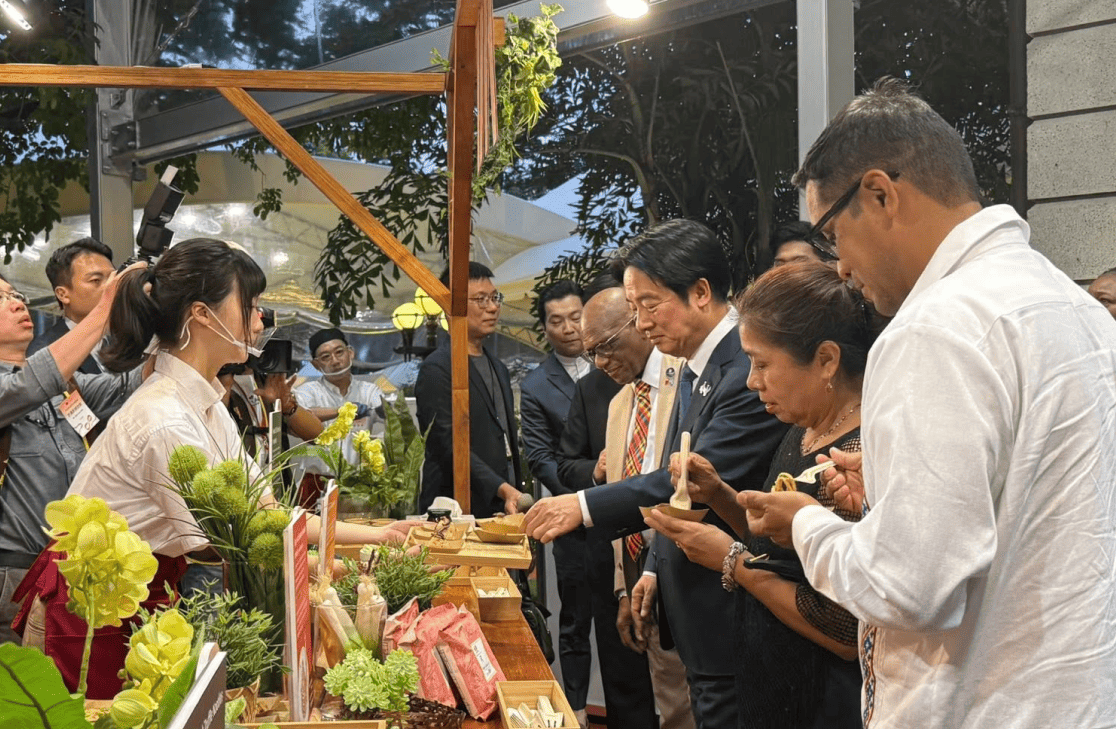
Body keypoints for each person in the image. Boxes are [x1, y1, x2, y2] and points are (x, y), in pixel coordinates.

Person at [739, 77, 1116, 728]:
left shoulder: (935, 327)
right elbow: (1035, 508)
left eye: (832, 237)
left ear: (881, 194)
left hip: (981, 701)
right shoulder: (1078, 309)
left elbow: (909, 586)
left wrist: (806, 522)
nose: (842, 270)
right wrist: (889, 492)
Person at [15, 239, 413, 698]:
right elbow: (237, 544)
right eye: (251, 305)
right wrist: (351, 568)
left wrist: (381, 538)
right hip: (91, 610)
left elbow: (265, 513)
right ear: (202, 315)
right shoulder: (163, 417)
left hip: (140, 598)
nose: (260, 319)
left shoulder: (201, 401)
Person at [526, 219, 789, 728]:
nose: (642, 321)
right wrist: (651, 568)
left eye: (649, 304)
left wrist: (579, 505)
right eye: (635, 307)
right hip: (691, 610)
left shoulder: (740, 372)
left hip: (730, 610)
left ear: (701, 292)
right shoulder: (692, 368)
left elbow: (687, 485)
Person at [647, 262, 877, 728]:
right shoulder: (804, 429)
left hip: (822, 696)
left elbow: (845, 628)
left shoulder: (859, 456)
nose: (753, 382)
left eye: (763, 363)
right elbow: (781, 545)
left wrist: (732, 563)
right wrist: (720, 496)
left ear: (827, 360)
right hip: (774, 678)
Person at [0, 270, 139, 644]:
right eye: (1, 300)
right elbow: (29, 385)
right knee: (18, 691)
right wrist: (105, 308)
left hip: (64, 566)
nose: (16, 304)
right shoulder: (30, 383)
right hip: (11, 572)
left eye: (16, 295)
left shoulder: (63, 384)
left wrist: (167, 323)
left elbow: (131, 385)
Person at [582, 287, 695, 729]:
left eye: (605, 347)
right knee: (670, 710)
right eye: (591, 354)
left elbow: (675, 488)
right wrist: (624, 589)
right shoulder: (618, 405)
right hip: (641, 582)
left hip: (688, 574)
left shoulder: (684, 377)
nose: (600, 363)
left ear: (637, 321)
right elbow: (624, 495)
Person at [518, 279, 593, 727]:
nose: (569, 328)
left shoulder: (620, 366)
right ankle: (578, 710)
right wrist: (585, 485)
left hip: (631, 513)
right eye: (556, 320)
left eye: (575, 316)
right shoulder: (536, 384)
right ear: (544, 328)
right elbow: (540, 458)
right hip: (570, 515)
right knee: (575, 618)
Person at [417, 262, 525, 518]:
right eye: (480, 299)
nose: (493, 307)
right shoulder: (437, 369)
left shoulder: (498, 366)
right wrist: (501, 488)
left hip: (502, 502)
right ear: (450, 307)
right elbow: (446, 446)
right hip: (455, 507)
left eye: (494, 297)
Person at [293, 327, 383, 502]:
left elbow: (391, 416)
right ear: (316, 365)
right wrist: (342, 411)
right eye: (326, 357)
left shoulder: (370, 391)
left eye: (339, 352)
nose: (335, 361)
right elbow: (302, 415)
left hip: (359, 482)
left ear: (351, 353)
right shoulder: (306, 392)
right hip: (317, 482)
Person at [28, 237, 116, 374]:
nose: (110, 286)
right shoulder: (45, 356)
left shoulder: (128, 337)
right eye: (96, 280)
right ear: (63, 294)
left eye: (112, 278)